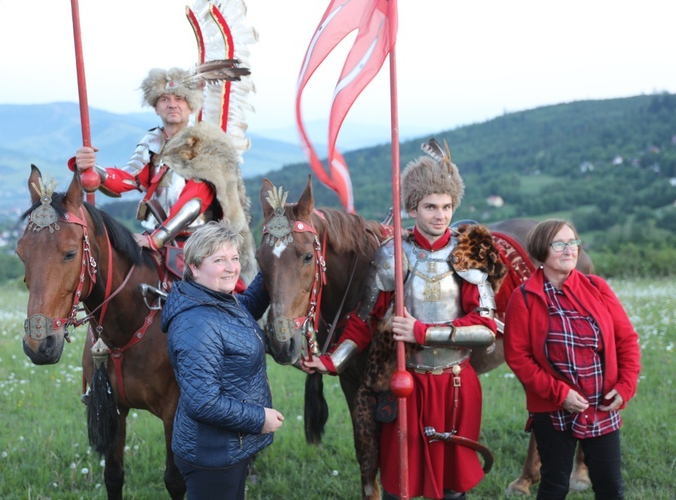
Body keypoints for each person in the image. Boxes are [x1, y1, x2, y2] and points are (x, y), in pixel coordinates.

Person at [303, 139, 505, 499]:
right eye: (430, 206)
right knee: (401, 482)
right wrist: (331, 360)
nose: (440, 215)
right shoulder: (391, 256)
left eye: (446, 206)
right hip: (405, 383)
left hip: (455, 383)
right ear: (412, 208)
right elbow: (363, 322)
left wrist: (422, 331)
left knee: (452, 484)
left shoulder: (469, 255)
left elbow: (485, 330)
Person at [68, 63, 256, 284]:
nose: (172, 105)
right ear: (156, 107)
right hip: (153, 238)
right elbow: (129, 179)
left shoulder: (206, 143)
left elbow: (194, 202)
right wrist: (93, 169)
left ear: (190, 106)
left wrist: (156, 240)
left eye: (179, 99)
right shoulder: (152, 142)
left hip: (199, 243)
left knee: (216, 301)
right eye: (165, 99)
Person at [503, 219, 640, 499]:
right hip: (553, 408)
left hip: (602, 405)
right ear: (542, 250)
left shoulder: (597, 288)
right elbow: (518, 357)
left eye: (573, 242)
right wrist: (560, 394)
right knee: (554, 486)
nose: (570, 250)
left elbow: (626, 340)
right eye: (559, 244)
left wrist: (625, 387)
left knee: (610, 487)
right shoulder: (524, 298)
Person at [161, 220, 284, 499]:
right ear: (193, 267)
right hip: (212, 456)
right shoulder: (196, 323)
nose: (231, 268)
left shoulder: (217, 300)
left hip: (228, 446)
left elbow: (246, 306)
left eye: (235, 258)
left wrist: (275, 256)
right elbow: (203, 402)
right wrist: (258, 418)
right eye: (219, 260)